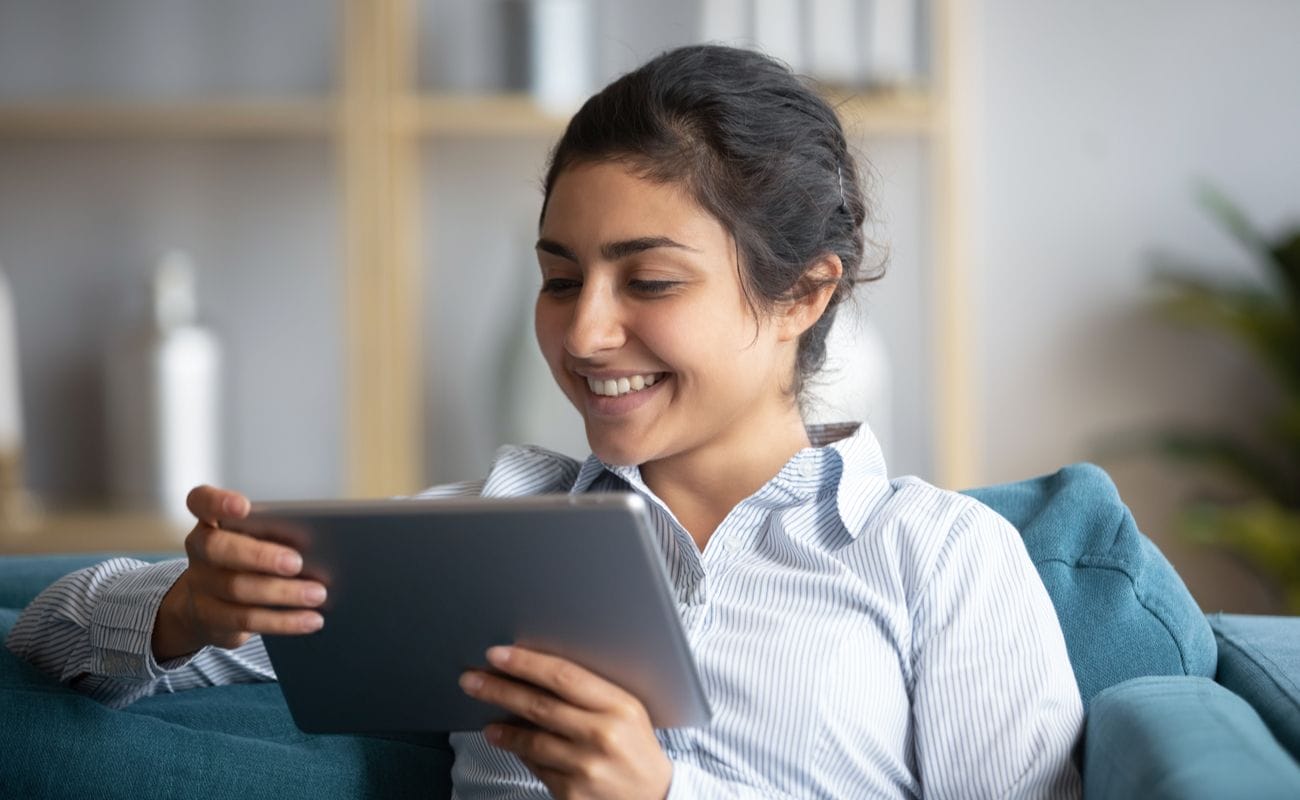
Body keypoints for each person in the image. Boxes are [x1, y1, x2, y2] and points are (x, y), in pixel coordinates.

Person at [8, 45, 1083, 798]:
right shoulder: (475, 537)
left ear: (802, 293)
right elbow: (48, 634)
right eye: (560, 279)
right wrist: (191, 605)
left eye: (648, 280)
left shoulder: (938, 559)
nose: (586, 332)